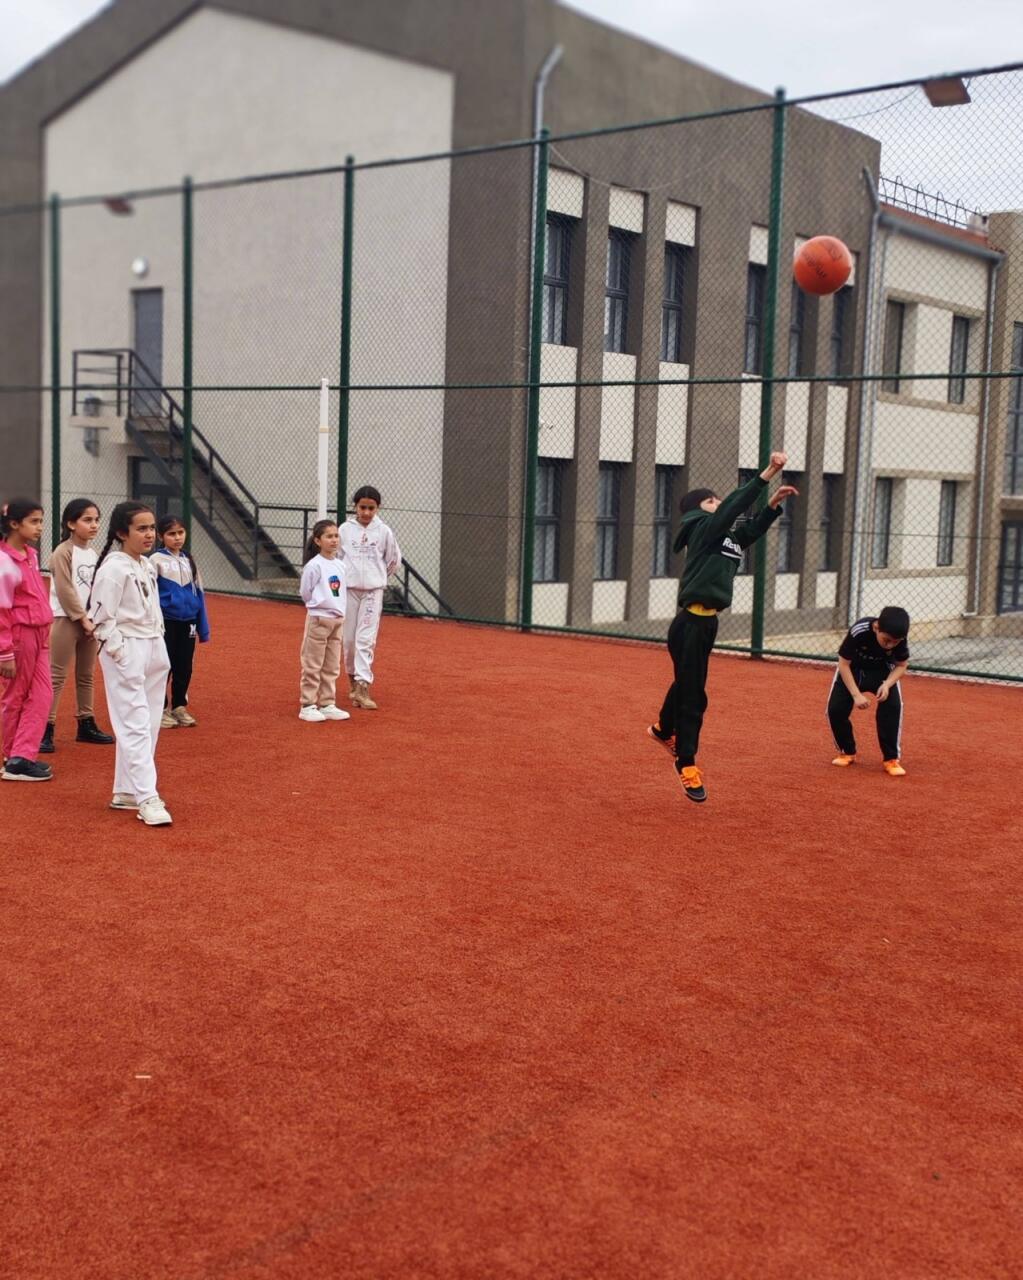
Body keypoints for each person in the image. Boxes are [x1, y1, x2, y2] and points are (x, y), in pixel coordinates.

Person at [649, 452, 797, 803]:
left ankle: (663, 729)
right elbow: (732, 508)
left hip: (704, 624)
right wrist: (767, 474)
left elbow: (747, 532)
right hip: (690, 623)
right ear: (698, 510)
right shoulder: (703, 529)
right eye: (712, 500)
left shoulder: (723, 538)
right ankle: (686, 761)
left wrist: (771, 507)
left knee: (686, 682)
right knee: (694, 695)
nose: (718, 502)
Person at [88, 502, 173, 826]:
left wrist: (158, 643)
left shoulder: (146, 565)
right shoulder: (113, 569)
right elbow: (100, 618)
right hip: (128, 648)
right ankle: (148, 797)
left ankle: (126, 791)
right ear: (122, 533)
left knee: (149, 724)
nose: (150, 534)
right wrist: (120, 652)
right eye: (141, 528)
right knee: (134, 723)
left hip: (153, 646)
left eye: (152, 528)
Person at [41, 497, 114, 753]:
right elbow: (64, 589)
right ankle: (44, 728)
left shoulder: (93, 554)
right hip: (66, 619)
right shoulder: (63, 552)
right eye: (87, 520)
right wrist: (82, 618)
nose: (94, 525)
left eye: (96, 520)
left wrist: (94, 618)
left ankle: (86, 724)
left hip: (89, 623)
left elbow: (96, 589)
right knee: (56, 676)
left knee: (86, 675)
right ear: (71, 524)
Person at [0, 498, 54, 781]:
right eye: (34, 521)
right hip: (20, 635)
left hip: (40, 632)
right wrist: (5, 652)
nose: (40, 527)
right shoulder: (4, 562)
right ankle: (15, 758)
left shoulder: (30, 555)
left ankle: (19, 755)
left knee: (43, 694)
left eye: (41, 521)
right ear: (14, 524)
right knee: (15, 695)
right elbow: (1, 610)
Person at [339, 485, 401, 710]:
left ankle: (363, 686)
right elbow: (338, 557)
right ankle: (352, 679)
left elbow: (393, 559)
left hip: (373, 592)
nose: (366, 512)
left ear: (378, 508)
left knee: (365, 638)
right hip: (349, 590)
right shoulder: (345, 530)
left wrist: (378, 577)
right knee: (348, 640)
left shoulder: (384, 531)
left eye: (371, 508)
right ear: (355, 506)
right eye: (362, 507)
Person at [828, 606, 910, 777]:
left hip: (883, 671)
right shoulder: (860, 630)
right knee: (835, 709)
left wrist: (887, 684)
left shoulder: (900, 638)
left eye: (895, 642)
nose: (890, 645)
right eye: (887, 640)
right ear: (876, 627)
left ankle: (891, 759)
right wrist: (856, 695)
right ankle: (846, 751)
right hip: (853, 669)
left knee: (893, 708)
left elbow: (902, 665)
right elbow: (843, 664)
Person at [152, 514, 211, 729]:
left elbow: (199, 594)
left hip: (188, 621)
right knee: (163, 664)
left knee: (184, 665)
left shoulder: (189, 560)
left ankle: (178, 706)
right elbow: (151, 595)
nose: (177, 537)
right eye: (171, 534)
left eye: (180, 532)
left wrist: (203, 627)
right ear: (161, 536)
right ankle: (159, 709)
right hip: (166, 621)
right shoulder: (155, 561)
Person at [298, 519, 350, 723]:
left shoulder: (340, 565)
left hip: (337, 620)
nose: (334, 540)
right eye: (329, 536)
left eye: (336, 536)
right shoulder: (314, 566)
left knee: (332, 665)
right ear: (318, 541)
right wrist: (317, 606)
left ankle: (328, 703)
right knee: (313, 663)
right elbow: (305, 591)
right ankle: (308, 705)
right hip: (319, 619)